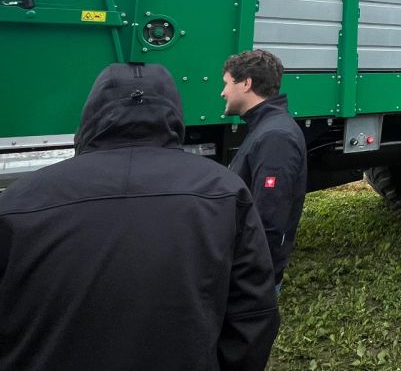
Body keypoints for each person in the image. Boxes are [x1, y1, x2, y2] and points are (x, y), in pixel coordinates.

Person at [0, 63, 279, 371]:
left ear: (92, 112)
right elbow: (252, 316)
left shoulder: (19, 200)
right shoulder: (225, 192)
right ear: (173, 112)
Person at [222, 49, 308, 290]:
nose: (223, 92)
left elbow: (268, 219)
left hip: (252, 279)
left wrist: (249, 279)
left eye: (227, 84)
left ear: (246, 83)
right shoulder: (265, 128)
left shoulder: (275, 137)